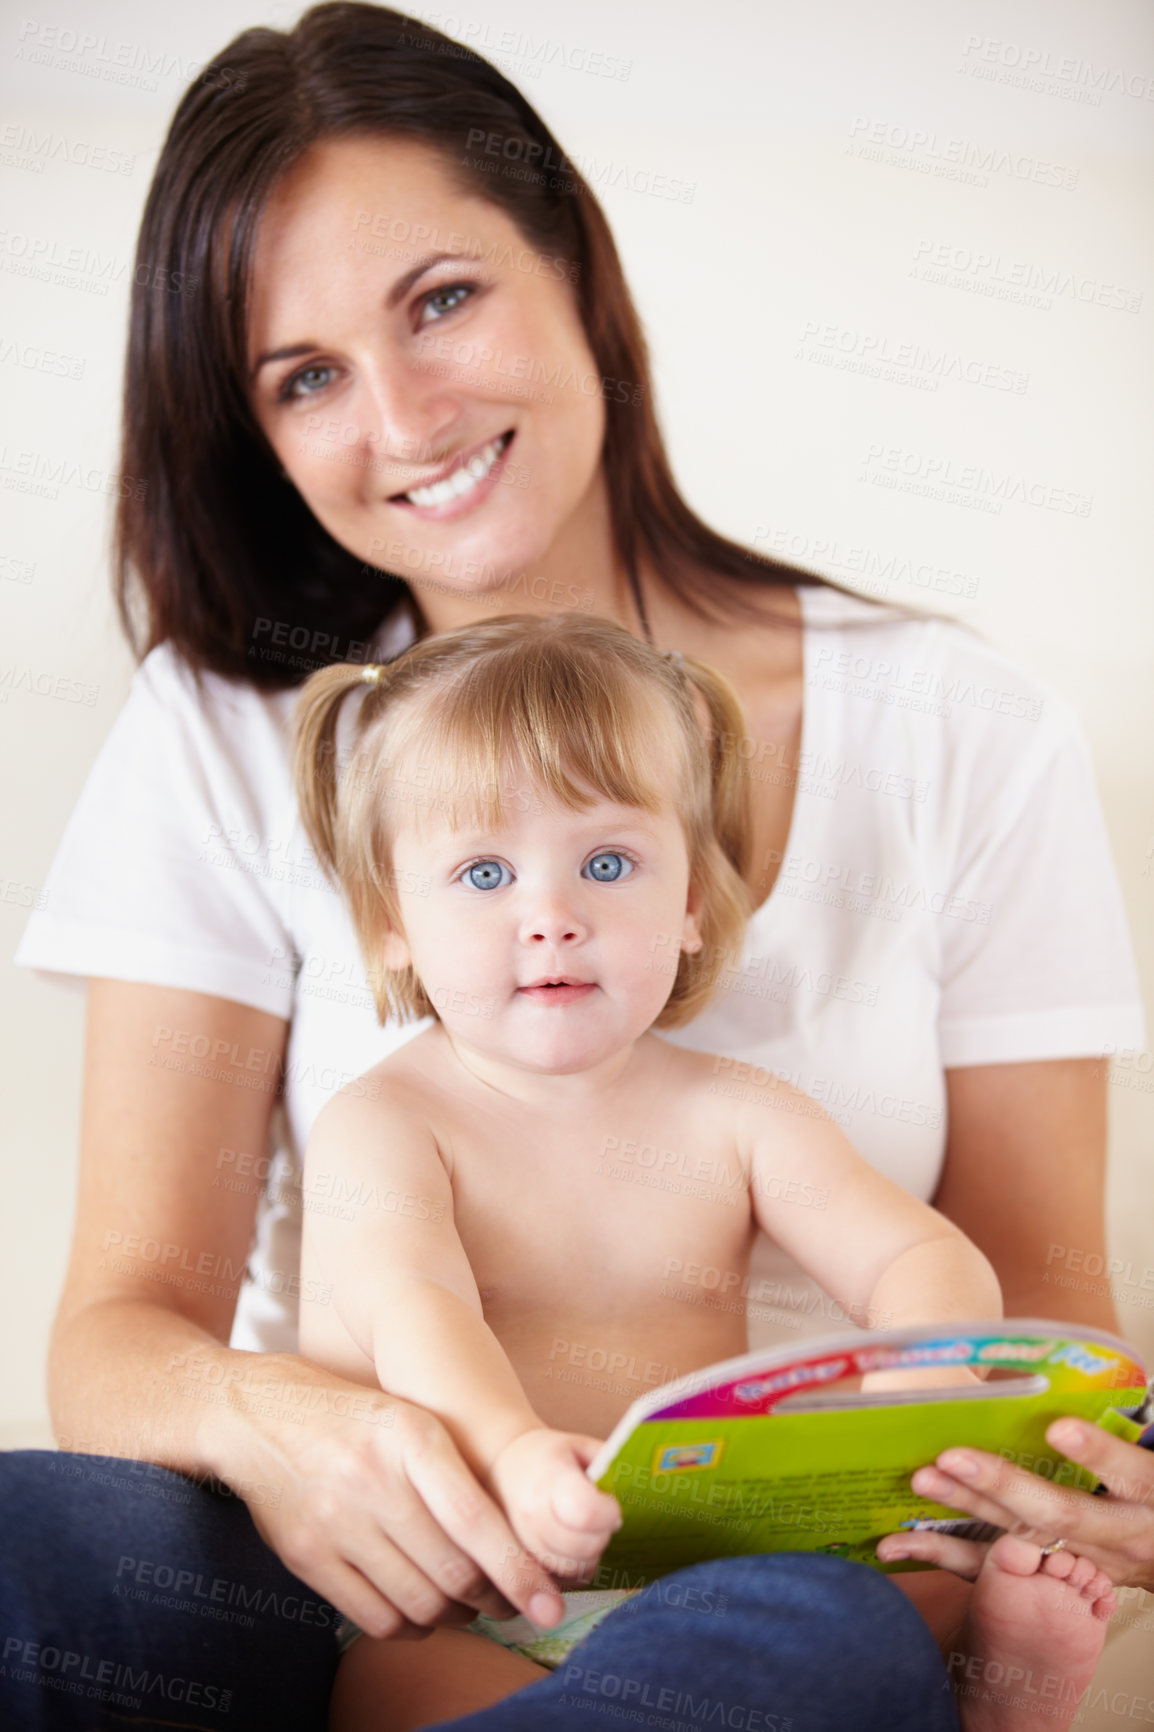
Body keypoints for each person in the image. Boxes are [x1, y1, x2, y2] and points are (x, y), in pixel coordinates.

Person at [5, 1, 1149, 1726]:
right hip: (356, 1558)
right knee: (22, 1550)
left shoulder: (959, 731)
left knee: (792, 1644)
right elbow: (128, 1323)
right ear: (387, 909)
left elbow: (1017, 1288)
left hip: (777, 1583)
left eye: (440, 299)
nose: (399, 419)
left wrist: (1006, 1452)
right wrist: (311, 1431)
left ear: (574, 269)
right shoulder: (229, 729)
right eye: (303, 377)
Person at [289, 609, 1115, 1732]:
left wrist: (918, 1373)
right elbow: (413, 1313)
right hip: (469, 1581)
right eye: (482, 871)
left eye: (608, 862)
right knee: (391, 1691)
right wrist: (515, 1453)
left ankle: (1003, 1698)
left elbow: (916, 1249)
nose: (551, 918)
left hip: (705, 1565)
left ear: (686, 902)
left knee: (914, 1567)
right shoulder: (385, 1122)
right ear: (391, 920)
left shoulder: (734, 1114)